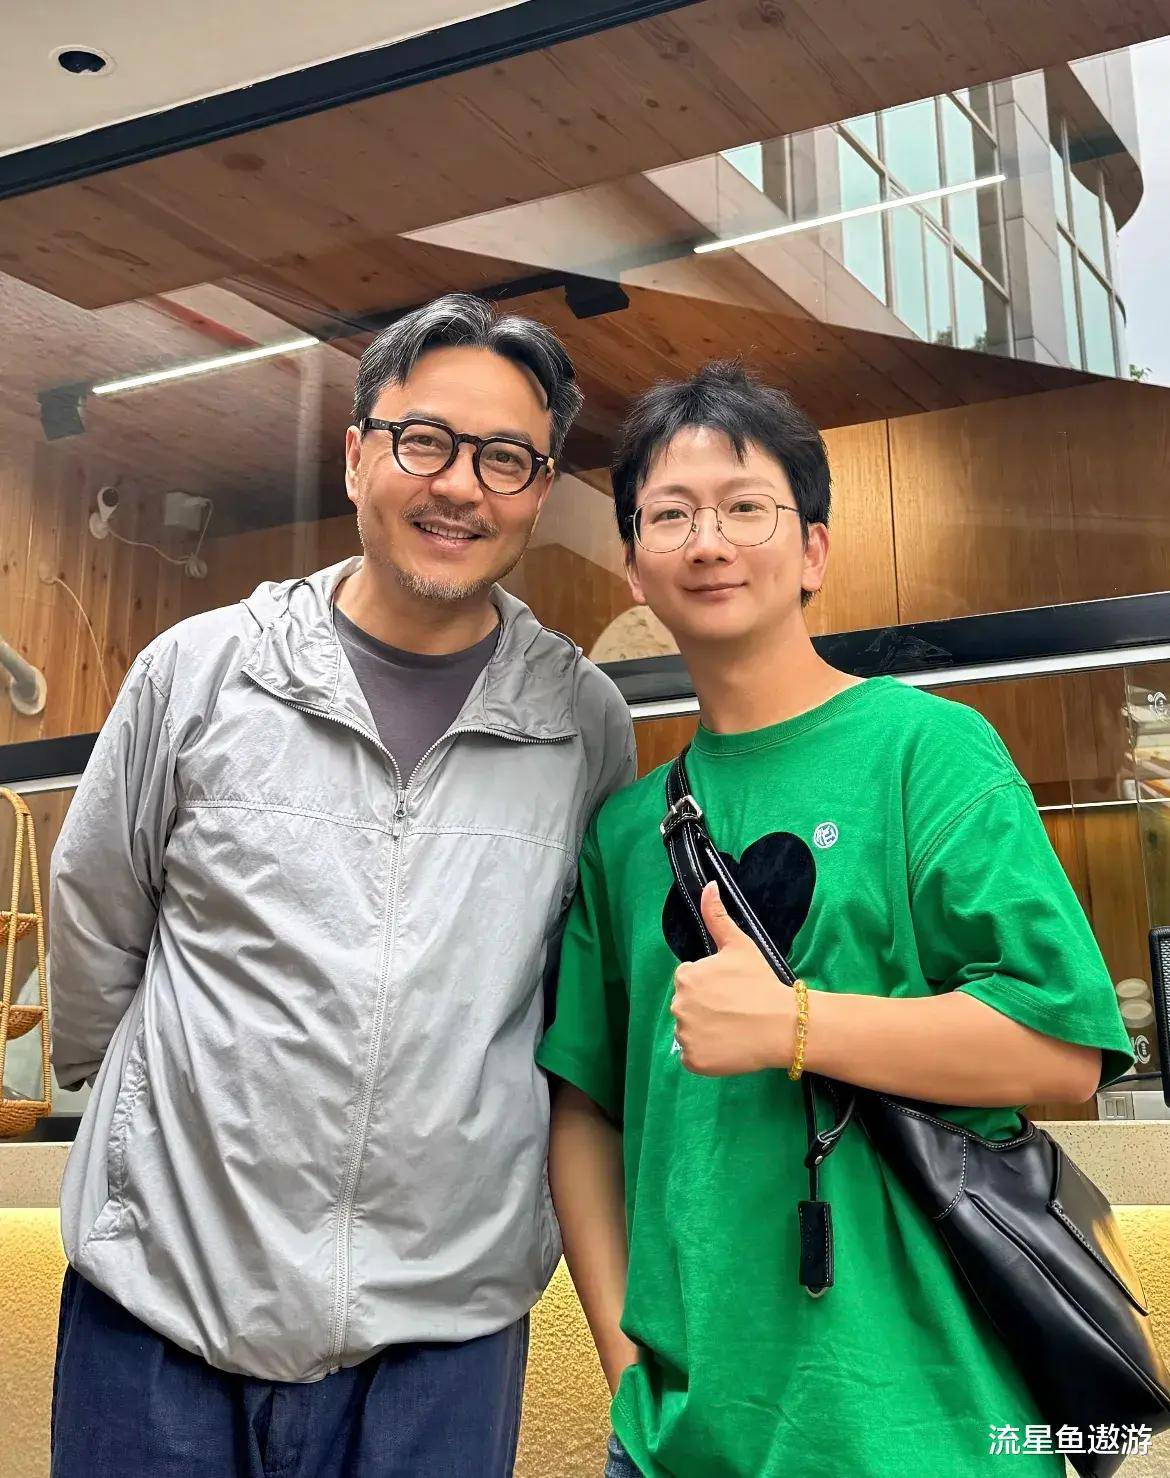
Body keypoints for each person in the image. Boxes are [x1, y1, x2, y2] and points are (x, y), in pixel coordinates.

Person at [48, 293, 635, 1478]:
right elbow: (97, 917)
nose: (460, 485)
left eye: (505, 457)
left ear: (538, 490)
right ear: (359, 451)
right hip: (162, 1300)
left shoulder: (582, 722)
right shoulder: (200, 672)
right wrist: (142, 1137)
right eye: (425, 441)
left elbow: (571, 1005)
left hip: (444, 1334)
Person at [537, 361, 1133, 1477]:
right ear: (634, 566)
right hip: (682, 1444)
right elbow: (585, 1109)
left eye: (746, 507)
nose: (709, 542)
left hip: (929, 1430)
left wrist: (795, 1024)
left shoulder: (926, 751)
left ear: (813, 549)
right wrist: (625, 1367)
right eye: (671, 515)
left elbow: (1060, 1051)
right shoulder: (625, 829)